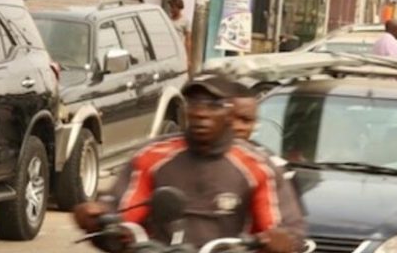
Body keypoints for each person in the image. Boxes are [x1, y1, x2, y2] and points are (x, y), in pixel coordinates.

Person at [73, 74, 305, 252]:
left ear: (230, 113)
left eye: (212, 105)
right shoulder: (152, 156)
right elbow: (121, 212)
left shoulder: (257, 166)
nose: (200, 113)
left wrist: (279, 240)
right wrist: (98, 218)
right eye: (194, 103)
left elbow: (283, 229)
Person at [168, 0, 191, 64]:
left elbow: (188, 40)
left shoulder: (185, 21)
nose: (171, 9)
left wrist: (188, 58)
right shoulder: (167, 19)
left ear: (179, 8)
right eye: (170, 7)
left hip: (178, 52)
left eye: (173, 7)